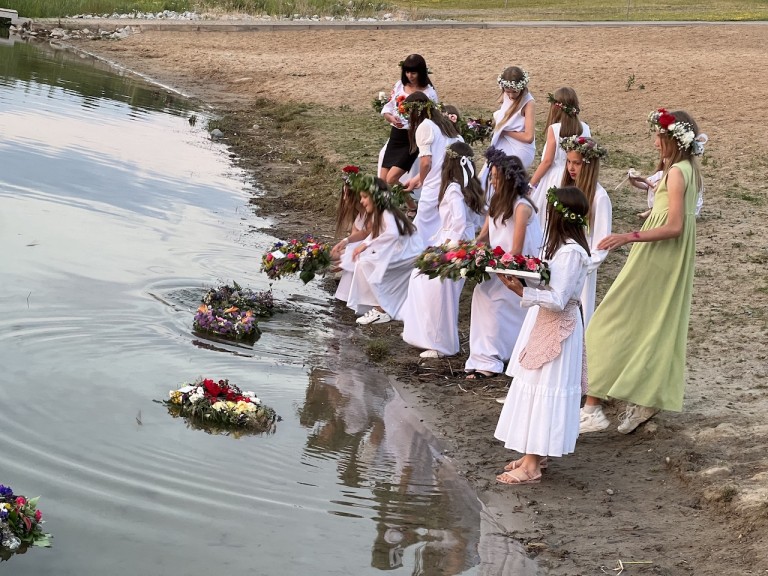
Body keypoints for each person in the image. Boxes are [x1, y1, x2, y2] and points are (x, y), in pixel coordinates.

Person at [580, 109, 706, 435]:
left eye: (659, 137)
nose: (654, 142)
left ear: (673, 140)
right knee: (653, 321)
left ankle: (593, 408)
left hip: (659, 255)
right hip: (665, 255)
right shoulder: (685, 168)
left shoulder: (678, 172)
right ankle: (644, 396)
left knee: (611, 318)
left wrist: (627, 236)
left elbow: (675, 225)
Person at [493, 186, 592, 485]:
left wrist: (521, 290)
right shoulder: (562, 249)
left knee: (546, 385)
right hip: (547, 323)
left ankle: (533, 465)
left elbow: (560, 298)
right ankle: (532, 454)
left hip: (559, 326)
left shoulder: (572, 252)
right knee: (534, 383)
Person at [465, 148, 543, 379]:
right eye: (492, 177)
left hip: (518, 268)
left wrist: (496, 265)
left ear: (509, 180)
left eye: (496, 177)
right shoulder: (496, 202)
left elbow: (517, 249)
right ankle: (485, 355)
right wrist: (467, 251)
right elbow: (484, 236)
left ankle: (493, 359)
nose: (492, 181)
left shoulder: (522, 207)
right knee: (481, 294)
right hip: (498, 265)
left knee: (495, 300)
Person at [401, 141, 485, 358]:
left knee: (438, 292)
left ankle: (440, 343)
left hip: (453, 244)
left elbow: (457, 222)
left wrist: (449, 250)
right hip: (457, 240)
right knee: (423, 282)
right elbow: (473, 221)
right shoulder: (468, 186)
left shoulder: (454, 189)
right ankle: (428, 336)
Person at [346, 174, 423, 325]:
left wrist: (366, 245)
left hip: (409, 255)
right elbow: (376, 235)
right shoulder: (380, 212)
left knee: (367, 264)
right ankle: (378, 304)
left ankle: (382, 309)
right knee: (365, 262)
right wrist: (364, 246)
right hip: (403, 251)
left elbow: (393, 233)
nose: (361, 201)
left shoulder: (386, 212)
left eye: (364, 197)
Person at [558, 135, 611, 325]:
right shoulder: (565, 191)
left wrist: (583, 266)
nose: (571, 168)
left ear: (588, 164)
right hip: (559, 261)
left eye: (577, 163)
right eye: (569, 162)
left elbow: (601, 244)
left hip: (581, 268)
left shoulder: (599, 197)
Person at [401, 91, 462, 244]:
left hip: (434, 183)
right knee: (443, 223)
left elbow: (426, 162)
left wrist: (422, 180)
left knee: (422, 223)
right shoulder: (446, 125)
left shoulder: (425, 126)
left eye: (409, 113)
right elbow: (439, 155)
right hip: (452, 181)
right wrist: (416, 179)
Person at [529, 88, 591, 227]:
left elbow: (547, 161)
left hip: (554, 177)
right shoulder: (585, 128)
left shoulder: (555, 129)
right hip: (577, 177)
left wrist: (531, 184)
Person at [379, 55, 438, 187]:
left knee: (391, 178)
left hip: (412, 138)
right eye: (407, 72)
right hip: (396, 136)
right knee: (382, 180)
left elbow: (434, 117)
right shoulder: (400, 86)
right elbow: (388, 107)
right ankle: (407, 206)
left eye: (413, 72)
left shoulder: (429, 93)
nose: (410, 76)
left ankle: (411, 204)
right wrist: (391, 118)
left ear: (421, 72)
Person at [331, 165, 371, 302]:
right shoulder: (359, 217)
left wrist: (345, 258)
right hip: (359, 251)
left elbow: (367, 238)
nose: (344, 199)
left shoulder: (370, 215)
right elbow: (352, 242)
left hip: (371, 252)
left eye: (346, 196)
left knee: (342, 255)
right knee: (336, 253)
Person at [489, 66, 536, 170]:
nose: (511, 95)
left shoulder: (528, 103)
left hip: (521, 149)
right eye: (507, 91)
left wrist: (504, 132)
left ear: (521, 87)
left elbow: (528, 137)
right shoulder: (506, 94)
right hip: (504, 142)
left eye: (514, 91)